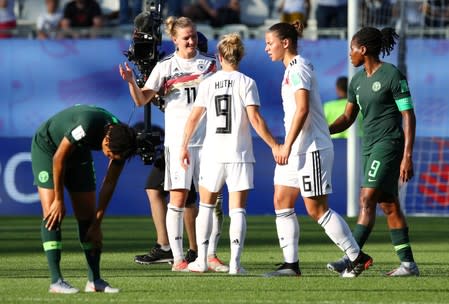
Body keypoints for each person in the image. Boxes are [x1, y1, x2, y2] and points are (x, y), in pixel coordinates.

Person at [263, 21, 372, 278]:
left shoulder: (299, 67)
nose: (267, 48)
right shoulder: (290, 68)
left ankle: (357, 257)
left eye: (270, 43)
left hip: (310, 148)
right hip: (297, 149)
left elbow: (303, 109)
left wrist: (286, 145)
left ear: (285, 43)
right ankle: (291, 265)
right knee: (281, 199)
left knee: (316, 209)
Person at [119, 16, 224, 272]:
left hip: (209, 142)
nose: (191, 40)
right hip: (179, 144)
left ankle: (209, 256)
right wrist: (132, 82)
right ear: (174, 40)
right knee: (178, 199)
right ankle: (177, 259)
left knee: (213, 201)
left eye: (194, 35)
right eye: (185, 37)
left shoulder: (211, 66)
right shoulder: (166, 66)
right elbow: (142, 100)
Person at [181, 32, 279, 274]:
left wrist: (183, 146)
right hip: (239, 153)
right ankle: (235, 264)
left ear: (219, 56)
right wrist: (274, 145)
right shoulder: (247, 82)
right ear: (240, 56)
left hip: (213, 152)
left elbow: (194, 118)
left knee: (205, 206)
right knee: (238, 210)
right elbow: (255, 119)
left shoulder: (208, 83)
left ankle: (202, 260)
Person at [327, 26, 419, 277]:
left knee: (366, 199)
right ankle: (408, 265)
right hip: (369, 146)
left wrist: (407, 156)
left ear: (363, 50)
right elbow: (347, 117)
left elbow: (408, 115)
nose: (349, 54)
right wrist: (324, 130)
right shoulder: (357, 81)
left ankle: (351, 258)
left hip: (389, 144)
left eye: (352, 49)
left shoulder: (392, 75)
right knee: (389, 205)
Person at [31, 104, 138, 294]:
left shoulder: (123, 141)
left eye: (115, 157)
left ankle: (94, 281)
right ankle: (56, 281)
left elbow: (110, 183)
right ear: (106, 139)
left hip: (78, 152)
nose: (111, 158)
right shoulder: (87, 125)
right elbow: (58, 159)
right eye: (109, 154)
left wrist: (98, 222)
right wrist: (58, 199)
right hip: (48, 148)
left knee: (88, 218)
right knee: (52, 214)